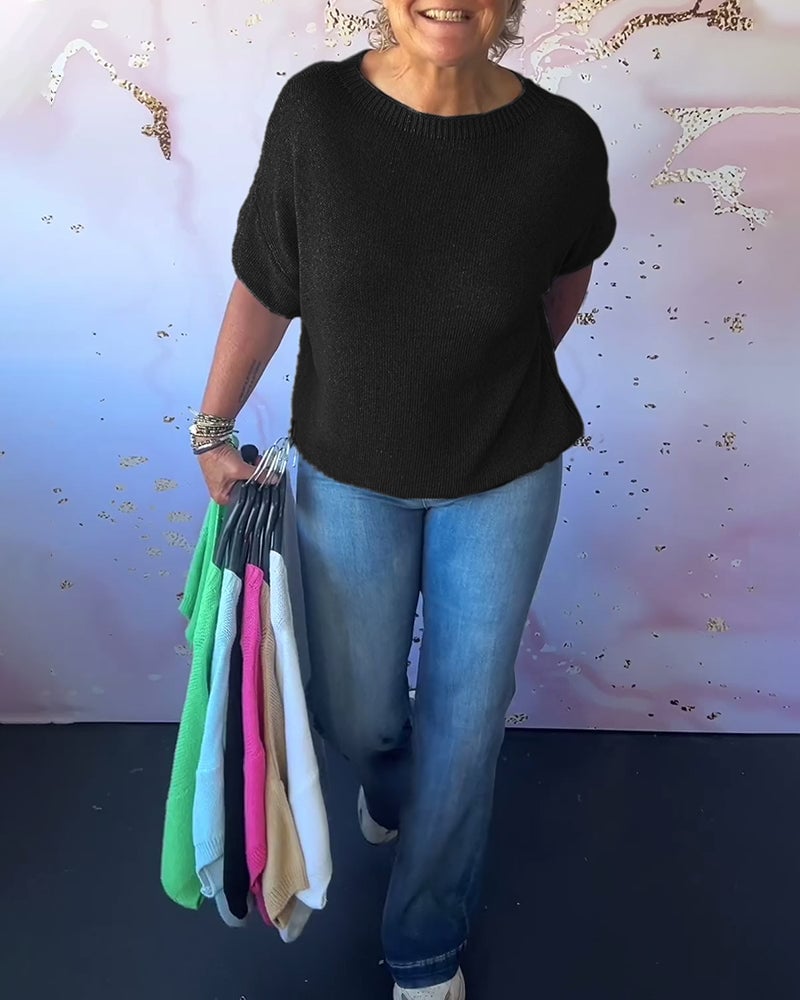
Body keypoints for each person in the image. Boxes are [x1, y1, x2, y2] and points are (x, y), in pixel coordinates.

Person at [193, 2, 616, 997]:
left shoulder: (560, 141)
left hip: (506, 474)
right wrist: (213, 426)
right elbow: (268, 284)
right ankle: (390, 785)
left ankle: (424, 940)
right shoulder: (316, 116)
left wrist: (484, 376)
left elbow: (561, 285)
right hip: (348, 474)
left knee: (465, 724)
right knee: (358, 712)